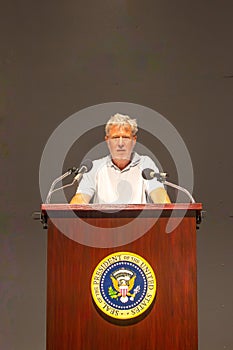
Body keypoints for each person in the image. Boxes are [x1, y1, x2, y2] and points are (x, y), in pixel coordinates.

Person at [70, 113, 170, 204]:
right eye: (115, 138)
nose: (121, 144)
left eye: (126, 138)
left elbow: (160, 196)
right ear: (107, 140)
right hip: (103, 223)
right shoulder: (95, 167)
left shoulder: (145, 164)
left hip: (139, 223)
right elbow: (79, 200)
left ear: (134, 140)